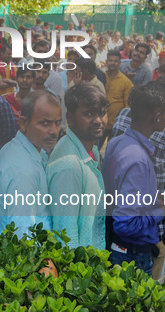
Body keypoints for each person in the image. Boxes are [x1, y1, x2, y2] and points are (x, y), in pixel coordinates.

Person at [103, 82, 165, 275]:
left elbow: (120, 196)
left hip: (118, 246)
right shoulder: (138, 158)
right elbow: (126, 223)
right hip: (131, 255)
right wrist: (164, 211)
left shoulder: (117, 142)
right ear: (157, 117)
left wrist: (155, 199)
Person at [47, 83, 108, 249]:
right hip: (80, 266)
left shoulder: (91, 151)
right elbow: (65, 234)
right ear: (71, 118)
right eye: (88, 114)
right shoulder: (69, 164)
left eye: (102, 113)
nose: (98, 120)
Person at [0, 90, 61, 236]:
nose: (54, 131)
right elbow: (23, 236)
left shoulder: (24, 150)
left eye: (58, 122)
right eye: (45, 123)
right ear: (23, 123)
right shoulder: (24, 172)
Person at [103, 49, 134, 146]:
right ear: (106, 62)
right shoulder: (101, 77)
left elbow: (128, 105)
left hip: (116, 125)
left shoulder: (126, 82)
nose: (113, 63)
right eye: (110, 60)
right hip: (100, 122)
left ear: (119, 63)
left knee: (113, 150)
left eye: (115, 61)